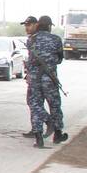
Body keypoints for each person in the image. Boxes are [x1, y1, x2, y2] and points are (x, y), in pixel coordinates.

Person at [27, 15, 67, 147]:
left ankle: (39, 139)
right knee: (55, 105)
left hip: (34, 79)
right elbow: (60, 59)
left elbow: (31, 59)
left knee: (36, 105)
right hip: (50, 78)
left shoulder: (31, 40)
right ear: (50, 26)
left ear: (38, 25)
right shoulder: (56, 39)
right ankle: (58, 134)